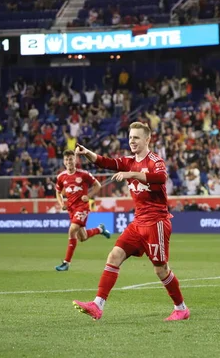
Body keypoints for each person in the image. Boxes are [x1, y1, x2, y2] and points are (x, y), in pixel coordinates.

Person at [72, 122, 189, 321]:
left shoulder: (154, 160)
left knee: (161, 269)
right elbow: (105, 162)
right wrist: (87, 153)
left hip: (156, 222)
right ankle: (97, 304)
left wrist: (131, 174)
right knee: (114, 256)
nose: (132, 141)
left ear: (147, 139)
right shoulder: (128, 161)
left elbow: (160, 178)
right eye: (130, 137)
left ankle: (181, 308)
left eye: (136, 137)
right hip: (138, 223)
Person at [55, 150, 110, 271]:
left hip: (82, 207)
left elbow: (98, 185)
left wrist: (89, 195)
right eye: (67, 160)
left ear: (75, 160)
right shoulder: (61, 177)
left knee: (72, 230)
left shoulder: (83, 174)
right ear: (64, 162)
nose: (69, 161)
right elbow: (58, 192)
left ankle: (66, 263)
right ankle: (100, 229)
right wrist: (61, 203)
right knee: (82, 237)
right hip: (71, 209)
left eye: (71, 159)